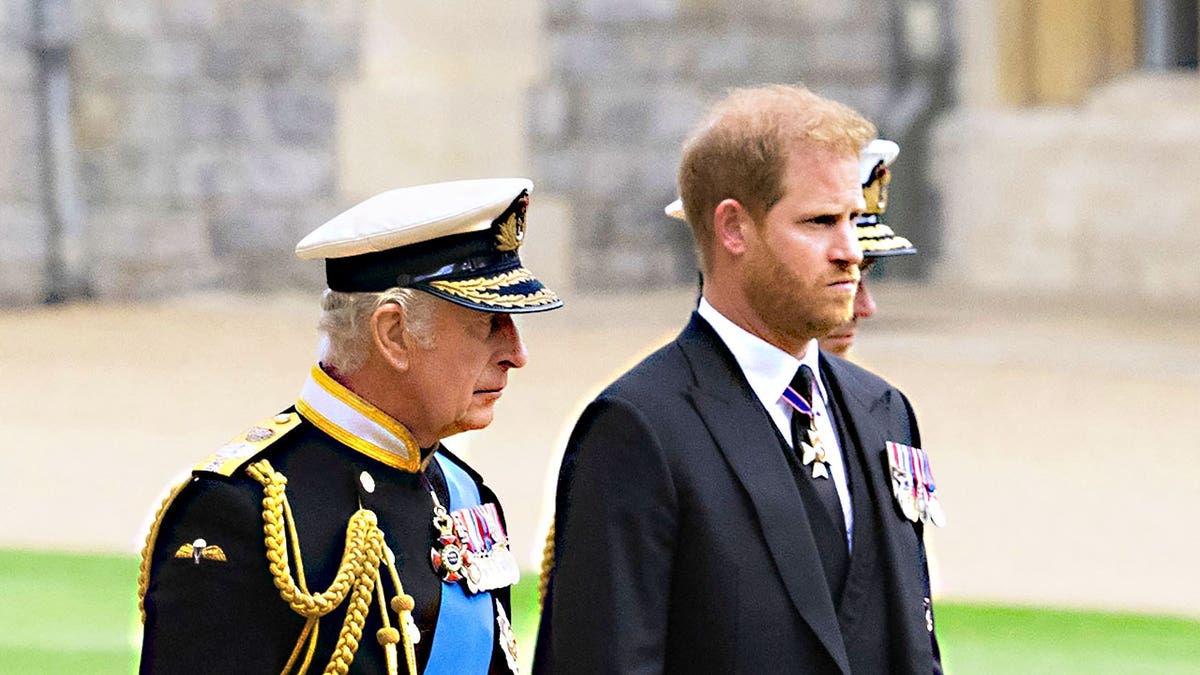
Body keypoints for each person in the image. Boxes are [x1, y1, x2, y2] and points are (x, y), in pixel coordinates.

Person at [537, 85, 943, 674]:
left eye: (853, 219)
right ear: (733, 228)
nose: (850, 250)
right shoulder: (638, 429)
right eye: (821, 222)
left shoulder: (883, 410)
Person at [138, 178, 560, 674]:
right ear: (394, 333)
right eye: (489, 322)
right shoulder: (238, 511)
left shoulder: (465, 493)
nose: (517, 354)